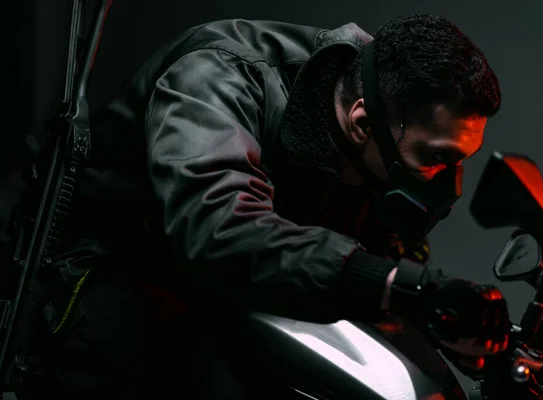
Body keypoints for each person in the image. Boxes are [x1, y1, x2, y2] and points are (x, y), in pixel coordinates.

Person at [24, 14, 509, 400]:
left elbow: (374, 256)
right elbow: (219, 230)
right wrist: (392, 285)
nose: (449, 181)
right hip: (121, 286)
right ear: (363, 123)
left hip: (243, 300)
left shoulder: (384, 139)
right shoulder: (220, 77)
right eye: (438, 158)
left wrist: (443, 319)